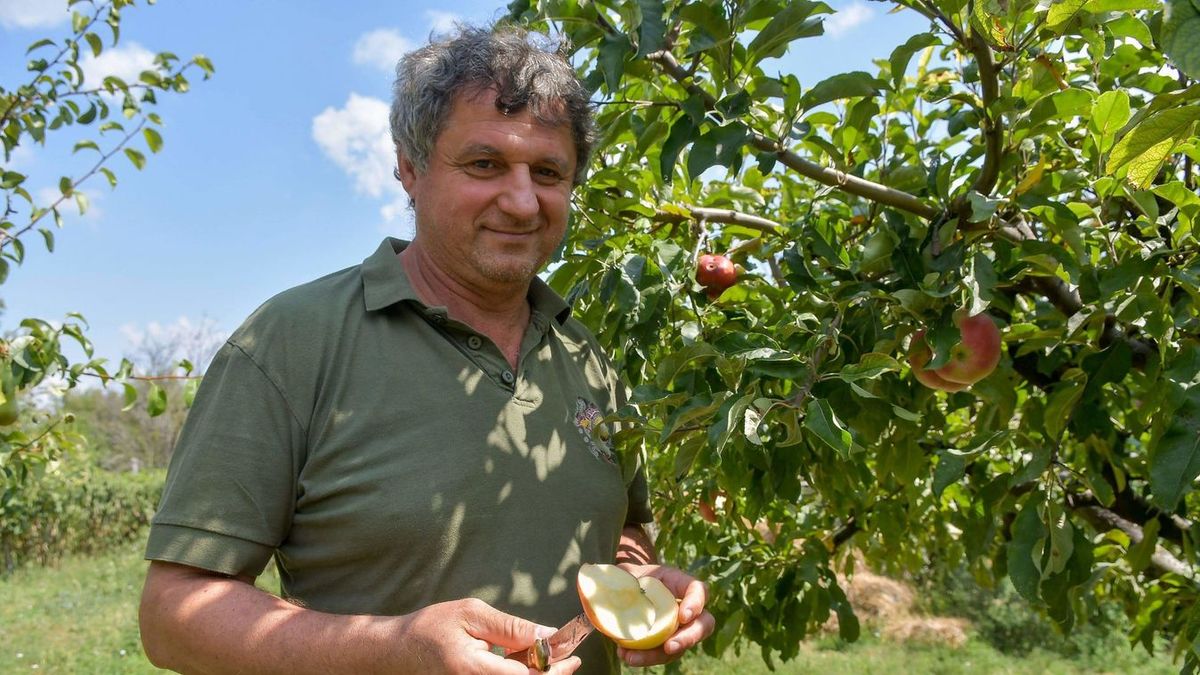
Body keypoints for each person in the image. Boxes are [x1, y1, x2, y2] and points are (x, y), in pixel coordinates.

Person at [138, 23, 715, 674]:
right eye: (485, 164)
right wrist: (395, 647)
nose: (522, 201)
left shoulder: (587, 357)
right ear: (409, 169)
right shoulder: (291, 344)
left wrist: (640, 591)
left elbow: (623, 531)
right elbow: (172, 615)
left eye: (548, 172)